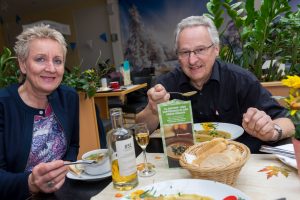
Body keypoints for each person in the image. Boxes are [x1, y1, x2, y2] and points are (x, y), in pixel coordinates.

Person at [136, 16, 295, 153]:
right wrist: (152, 110)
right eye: (185, 52)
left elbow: (288, 122)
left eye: (200, 50)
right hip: (185, 166)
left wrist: (272, 132)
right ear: (178, 55)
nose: (192, 60)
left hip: (238, 165)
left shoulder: (241, 80)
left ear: (216, 49)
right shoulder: (165, 85)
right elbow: (140, 129)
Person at [0, 24, 79, 199]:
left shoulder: (69, 97)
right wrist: (31, 183)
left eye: (57, 61)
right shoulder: (3, 106)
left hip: (64, 191)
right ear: (23, 64)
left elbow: (73, 145)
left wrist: (65, 166)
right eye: (40, 59)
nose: (51, 68)